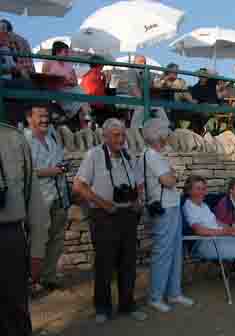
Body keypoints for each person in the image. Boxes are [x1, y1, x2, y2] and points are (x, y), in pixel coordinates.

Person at [73, 118, 148, 324]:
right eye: (116, 135)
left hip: (128, 215)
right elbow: (79, 186)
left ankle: (127, 305)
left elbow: (139, 183)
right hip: (104, 216)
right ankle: (102, 308)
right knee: (105, 264)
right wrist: (102, 203)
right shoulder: (94, 155)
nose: (121, 139)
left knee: (128, 263)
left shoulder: (128, 155)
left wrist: (138, 200)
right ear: (104, 136)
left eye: (123, 135)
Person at [0, 122, 49, 336]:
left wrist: (38, 249)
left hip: (7, 238)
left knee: (15, 320)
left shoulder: (12, 139)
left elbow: (34, 200)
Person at [141, 119, 194, 313]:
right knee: (163, 253)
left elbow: (169, 178)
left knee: (174, 251)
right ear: (159, 135)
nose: (167, 135)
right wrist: (174, 176)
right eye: (165, 132)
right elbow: (169, 180)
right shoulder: (153, 156)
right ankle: (156, 296)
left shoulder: (156, 155)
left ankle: (174, 292)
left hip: (170, 206)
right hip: (164, 208)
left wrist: (172, 176)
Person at [23, 104, 69, 291]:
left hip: (58, 196)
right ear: (29, 119)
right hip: (38, 199)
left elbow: (59, 163)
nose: (45, 119)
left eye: (46, 116)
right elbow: (23, 171)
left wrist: (62, 168)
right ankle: (30, 282)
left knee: (56, 239)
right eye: (40, 116)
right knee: (37, 242)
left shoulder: (51, 137)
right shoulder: (24, 141)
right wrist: (52, 171)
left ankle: (48, 277)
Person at [41, 40, 91, 127]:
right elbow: (44, 80)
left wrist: (67, 81)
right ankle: (87, 125)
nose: (67, 54)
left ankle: (85, 128)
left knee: (81, 96)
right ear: (57, 52)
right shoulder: (48, 62)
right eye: (65, 52)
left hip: (70, 89)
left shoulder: (68, 63)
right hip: (58, 90)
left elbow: (75, 81)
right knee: (82, 104)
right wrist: (62, 81)